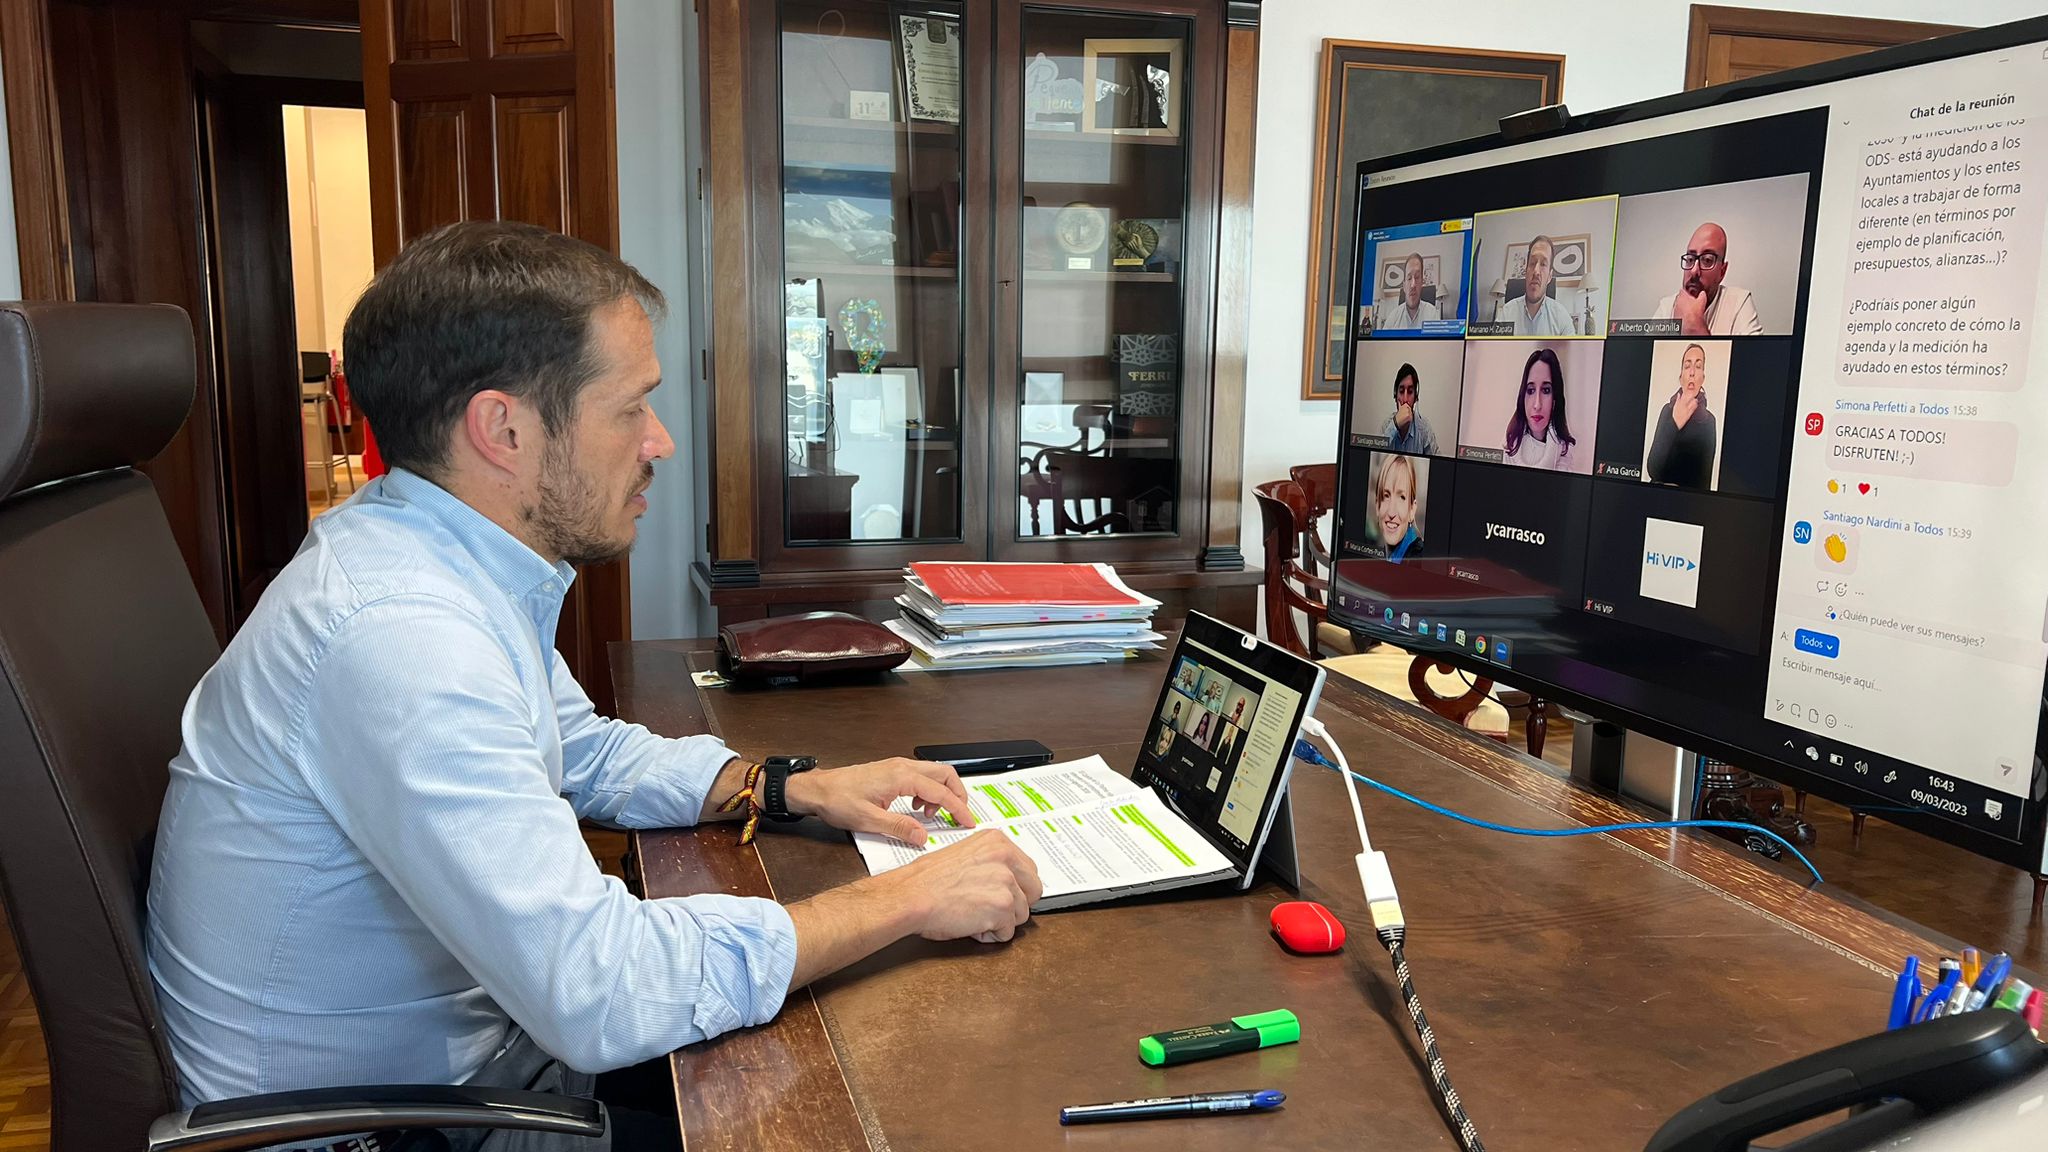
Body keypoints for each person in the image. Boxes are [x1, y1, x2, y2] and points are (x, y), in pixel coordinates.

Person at [145, 221, 1043, 1147]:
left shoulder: (429, 549)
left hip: (480, 1063)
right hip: (388, 1129)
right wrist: (906, 896)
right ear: (504, 429)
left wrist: (785, 786)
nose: (661, 441)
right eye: (630, 407)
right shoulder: (400, 636)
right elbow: (603, 992)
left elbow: (577, 746)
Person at [1653, 223, 1762, 336]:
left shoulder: (1739, 303)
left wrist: (1695, 326)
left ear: (1722, 272)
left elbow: (1754, 354)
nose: (1694, 270)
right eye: (1690, 259)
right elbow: (1646, 352)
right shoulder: (1666, 307)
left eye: (1707, 260)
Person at [1646, 342, 1718, 489]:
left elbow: (1704, 483)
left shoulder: (1709, 421)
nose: (1692, 372)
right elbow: (1653, 468)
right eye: (1687, 366)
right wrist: (1674, 423)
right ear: (1681, 377)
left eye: (1698, 366)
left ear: (1702, 378)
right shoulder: (1667, 410)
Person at [1503, 346, 1578, 470]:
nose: (1537, 405)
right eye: (1531, 390)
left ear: (1555, 398)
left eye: (1546, 390)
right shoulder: (1510, 444)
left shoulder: (1565, 451)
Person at [1507, 234, 1577, 336]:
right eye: (1532, 263)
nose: (1536, 271)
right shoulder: (1506, 313)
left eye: (1543, 264)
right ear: (1526, 271)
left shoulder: (1562, 318)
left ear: (1549, 276)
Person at [1379, 362, 1440, 455]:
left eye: (1410, 392)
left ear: (1416, 397)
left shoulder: (1424, 428)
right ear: (1396, 395)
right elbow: (1376, 460)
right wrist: (1395, 425)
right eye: (1401, 391)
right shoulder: (1387, 425)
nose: (1405, 399)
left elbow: (1437, 463)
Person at [1374, 454, 1424, 561]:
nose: (1392, 512)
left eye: (1402, 497)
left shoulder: (1419, 558)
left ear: (1412, 510)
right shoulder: (1381, 554)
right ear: (1377, 505)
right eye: (1386, 495)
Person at [1373, 252, 1441, 331]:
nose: (1413, 285)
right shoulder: (1393, 317)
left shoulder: (1432, 314)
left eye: (1417, 277)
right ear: (1404, 286)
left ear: (1422, 283)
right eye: (1409, 278)